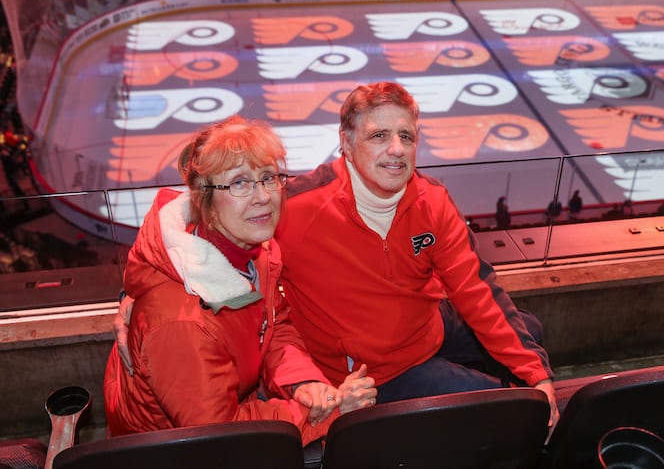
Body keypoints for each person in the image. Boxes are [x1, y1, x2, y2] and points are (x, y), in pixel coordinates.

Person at [116, 82, 559, 432]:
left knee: (530, 335)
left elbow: (475, 288)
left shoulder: (432, 200)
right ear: (345, 143)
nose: (397, 150)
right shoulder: (291, 209)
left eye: (406, 136)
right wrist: (139, 294)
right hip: (368, 370)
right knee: (508, 411)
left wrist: (535, 373)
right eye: (379, 136)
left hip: (421, 326)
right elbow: (195, 229)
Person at [103, 117, 376, 444]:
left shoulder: (252, 249)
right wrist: (330, 414)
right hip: (171, 454)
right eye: (239, 183)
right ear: (203, 199)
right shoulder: (181, 322)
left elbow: (275, 326)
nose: (262, 196)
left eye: (268, 178)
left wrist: (303, 383)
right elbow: (221, 433)